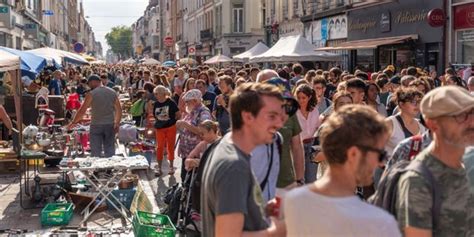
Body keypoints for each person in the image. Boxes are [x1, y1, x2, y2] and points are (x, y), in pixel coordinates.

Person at [284, 105, 401, 237]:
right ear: (353, 154)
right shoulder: (379, 222)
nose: (381, 163)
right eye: (380, 155)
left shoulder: (293, 203)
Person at [201, 82, 286, 237]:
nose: (280, 123)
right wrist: (280, 230)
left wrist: (261, 211)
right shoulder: (235, 166)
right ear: (248, 117)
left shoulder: (227, 143)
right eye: (272, 116)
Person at [395, 86, 474, 237]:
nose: (471, 122)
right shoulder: (419, 179)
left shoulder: (467, 165)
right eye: (460, 116)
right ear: (432, 124)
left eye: (472, 113)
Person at [68, 74, 122, 157]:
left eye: (89, 84)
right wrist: (117, 123)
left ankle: (97, 169)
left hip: (96, 125)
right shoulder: (112, 92)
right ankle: (109, 169)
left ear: (93, 82)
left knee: (96, 151)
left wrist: (74, 122)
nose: (89, 86)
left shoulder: (92, 94)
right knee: (110, 150)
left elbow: (82, 111)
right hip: (109, 124)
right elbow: (119, 109)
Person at [177, 89, 212, 181]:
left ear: (195, 100)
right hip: (187, 153)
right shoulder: (192, 111)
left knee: (191, 181)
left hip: (195, 155)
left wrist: (185, 125)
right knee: (184, 178)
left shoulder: (204, 112)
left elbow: (203, 132)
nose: (186, 104)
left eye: (187, 101)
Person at [385, 88, 426, 156]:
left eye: (419, 101)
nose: (417, 105)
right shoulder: (389, 123)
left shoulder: (421, 125)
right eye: (413, 102)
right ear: (401, 104)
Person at [151, 85, 180, 176]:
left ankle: (171, 167)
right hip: (160, 127)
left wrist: (174, 122)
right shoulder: (156, 103)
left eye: (157, 93)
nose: (156, 95)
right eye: (155, 93)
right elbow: (155, 115)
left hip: (170, 127)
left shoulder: (171, 102)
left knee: (170, 146)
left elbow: (178, 114)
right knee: (159, 147)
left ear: (163, 93)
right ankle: (159, 168)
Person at [294, 84, 320, 183]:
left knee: (312, 178)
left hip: (312, 146)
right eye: (299, 98)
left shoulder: (315, 111)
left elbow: (317, 127)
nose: (301, 100)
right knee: (299, 178)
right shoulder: (293, 111)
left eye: (303, 98)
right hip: (298, 146)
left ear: (309, 97)